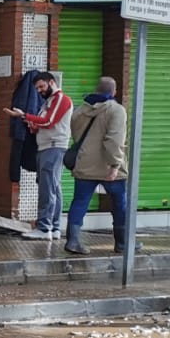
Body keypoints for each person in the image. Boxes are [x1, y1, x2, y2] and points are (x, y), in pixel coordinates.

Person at [65, 77, 131, 255]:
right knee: (120, 204)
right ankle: (122, 242)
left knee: (80, 201)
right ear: (114, 92)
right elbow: (115, 140)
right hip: (108, 166)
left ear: (97, 89)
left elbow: (77, 136)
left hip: (85, 163)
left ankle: (73, 240)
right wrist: (115, 164)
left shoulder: (80, 110)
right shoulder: (117, 110)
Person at [5, 72, 72, 240]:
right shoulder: (48, 102)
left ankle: (44, 227)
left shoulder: (60, 99)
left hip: (53, 147)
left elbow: (49, 121)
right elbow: (41, 124)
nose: (40, 91)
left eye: (42, 86)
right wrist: (31, 124)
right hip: (46, 147)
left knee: (47, 188)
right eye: (37, 88)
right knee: (53, 187)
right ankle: (54, 227)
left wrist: (23, 115)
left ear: (52, 82)